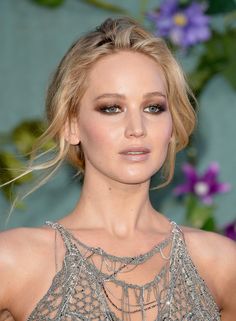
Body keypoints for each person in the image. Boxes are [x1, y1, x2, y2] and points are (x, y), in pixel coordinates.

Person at [0, 17, 235, 321]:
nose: (137, 128)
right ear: (72, 126)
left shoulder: (221, 263)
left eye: (154, 108)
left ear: (173, 126)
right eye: (111, 108)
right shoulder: (13, 260)